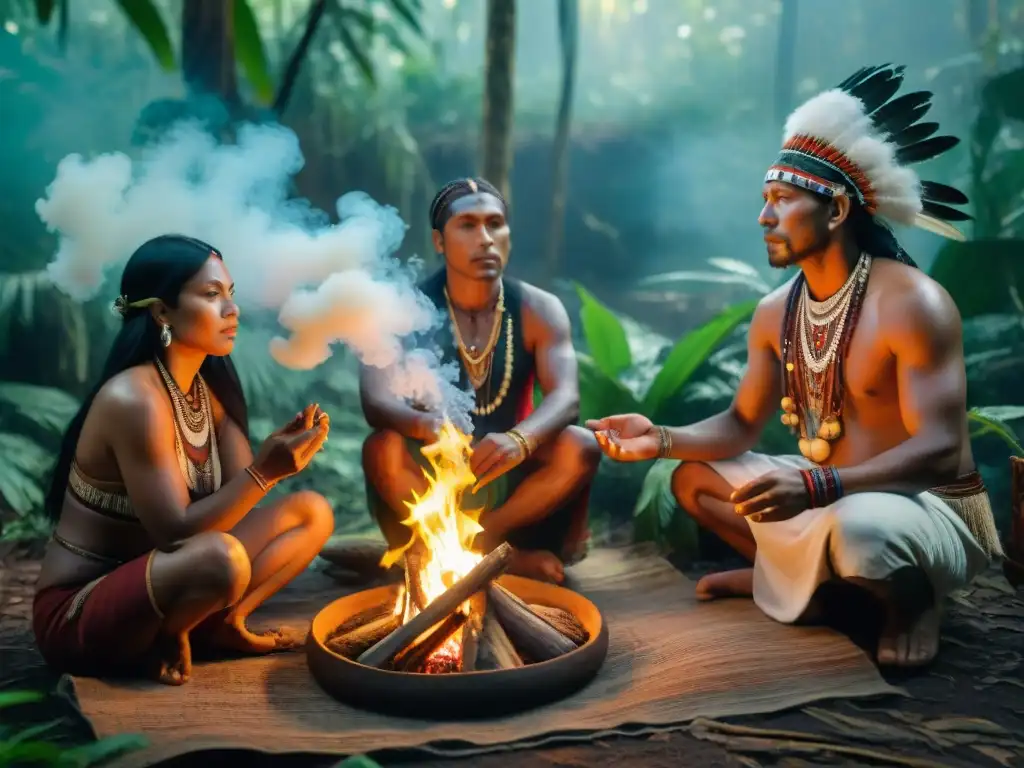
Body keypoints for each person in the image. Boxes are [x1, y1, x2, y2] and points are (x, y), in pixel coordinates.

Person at [588, 64, 999, 669]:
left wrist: (815, 484)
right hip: (833, 489)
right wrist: (661, 439)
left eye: (782, 200)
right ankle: (795, 583)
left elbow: (940, 449)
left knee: (861, 535)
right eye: (764, 201)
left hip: (925, 503)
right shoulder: (775, 312)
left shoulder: (913, 302)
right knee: (691, 480)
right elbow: (740, 425)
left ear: (834, 209)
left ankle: (910, 602)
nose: (764, 217)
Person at [33, 235, 335, 685]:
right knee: (222, 557)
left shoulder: (207, 391)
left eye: (230, 294)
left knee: (310, 512)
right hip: (83, 608)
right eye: (212, 295)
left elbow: (235, 507)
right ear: (161, 312)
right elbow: (174, 532)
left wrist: (274, 460)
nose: (231, 310)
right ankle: (169, 633)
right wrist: (263, 472)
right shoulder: (134, 397)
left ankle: (222, 625)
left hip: (171, 576)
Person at [360, 178, 600, 584]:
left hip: (511, 478)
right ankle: (471, 553)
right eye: (468, 225)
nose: (486, 238)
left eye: (495, 224)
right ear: (439, 241)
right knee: (383, 447)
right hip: (432, 474)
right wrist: (427, 425)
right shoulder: (399, 311)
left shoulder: (539, 309)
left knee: (581, 445)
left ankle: (480, 548)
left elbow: (566, 398)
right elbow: (375, 401)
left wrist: (519, 440)